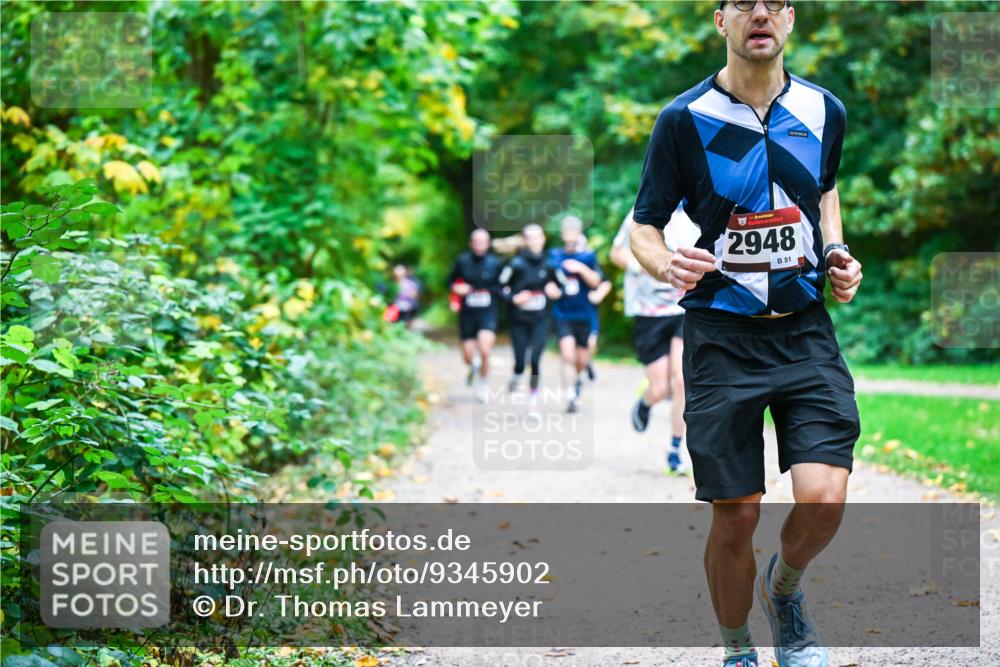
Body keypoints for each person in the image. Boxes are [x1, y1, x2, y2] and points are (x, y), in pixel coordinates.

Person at [629, 2, 863, 666]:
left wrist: (837, 252)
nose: (759, 12)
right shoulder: (684, 119)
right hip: (721, 337)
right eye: (742, 1)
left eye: (774, 1)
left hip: (805, 333)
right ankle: (738, 650)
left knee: (824, 499)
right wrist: (664, 260)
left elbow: (825, 189)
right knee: (736, 513)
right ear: (721, 21)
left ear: (789, 18)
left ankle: (783, 590)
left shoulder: (825, 111)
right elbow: (645, 224)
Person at [611, 204, 697, 473]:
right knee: (659, 388)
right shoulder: (642, 211)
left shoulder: (696, 212)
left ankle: (675, 449)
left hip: (682, 308)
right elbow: (617, 253)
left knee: (682, 379)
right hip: (648, 311)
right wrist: (642, 267)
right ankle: (647, 399)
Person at [549, 215, 611, 414]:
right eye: (566, 231)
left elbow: (597, 282)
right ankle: (570, 397)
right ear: (562, 234)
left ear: (578, 233)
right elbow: (546, 279)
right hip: (563, 313)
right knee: (567, 354)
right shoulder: (554, 256)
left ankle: (578, 382)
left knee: (582, 359)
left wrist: (581, 269)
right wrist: (549, 288)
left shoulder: (588, 257)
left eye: (573, 231)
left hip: (584, 314)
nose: (569, 235)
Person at [498, 224, 561, 400]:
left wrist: (555, 290)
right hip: (518, 320)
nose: (535, 241)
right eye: (530, 238)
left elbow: (562, 287)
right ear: (525, 241)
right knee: (520, 361)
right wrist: (514, 298)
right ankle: (517, 374)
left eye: (538, 237)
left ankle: (533, 395)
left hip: (541, 319)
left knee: (534, 359)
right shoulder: (515, 264)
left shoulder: (550, 264)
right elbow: (500, 287)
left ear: (543, 239)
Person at [447, 228, 503, 402]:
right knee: (468, 356)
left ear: (488, 243)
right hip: (468, 313)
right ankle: (473, 367)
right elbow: (449, 281)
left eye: (483, 241)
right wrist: (457, 288)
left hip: (487, 312)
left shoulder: (495, 263)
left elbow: (503, 286)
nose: (480, 245)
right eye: (476, 241)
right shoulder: (462, 261)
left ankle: (482, 384)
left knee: (485, 350)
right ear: (471, 243)